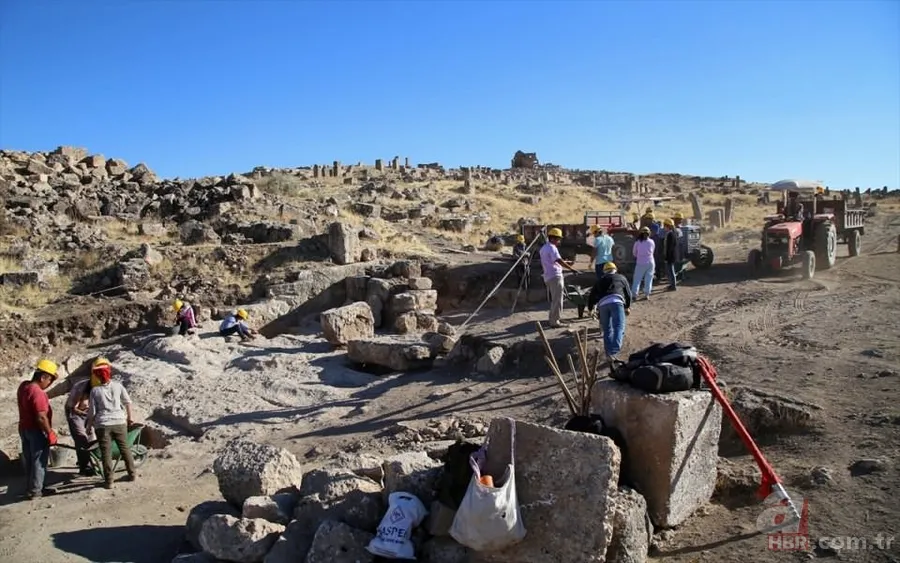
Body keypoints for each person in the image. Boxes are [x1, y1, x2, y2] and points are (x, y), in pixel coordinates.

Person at [86, 358, 136, 488]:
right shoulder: (118, 385)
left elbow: (92, 412)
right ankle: (132, 474)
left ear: (97, 376)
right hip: (119, 421)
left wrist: (88, 426)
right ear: (109, 373)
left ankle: (109, 481)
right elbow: (128, 402)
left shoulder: (95, 391)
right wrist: (130, 417)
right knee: (125, 449)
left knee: (106, 453)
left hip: (102, 425)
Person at [17, 359, 59, 500]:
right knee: (39, 461)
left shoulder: (24, 386)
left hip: (24, 428)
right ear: (43, 377)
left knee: (29, 460)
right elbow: (41, 417)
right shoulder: (37, 392)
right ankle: (36, 491)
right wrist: (50, 433)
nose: (50, 384)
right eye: (50, 380)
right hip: (36, 430)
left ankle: (31, 488)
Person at [587, 262, 632, 360]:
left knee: (607, 330)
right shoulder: (621, 278)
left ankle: (609, 354)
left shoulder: (599, 281)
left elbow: (592, 296)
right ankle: (614, 351)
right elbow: (628, 293)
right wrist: (627, 306)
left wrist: (590, 308)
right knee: (619, 327)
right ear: (615, 270)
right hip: (616, 302)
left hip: (602, 305)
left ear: (604, 272)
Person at [539, 228, 580, 328]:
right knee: (557, 299)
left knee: (555, 299)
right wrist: (572, 269)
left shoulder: (544, 248)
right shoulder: (552, 248)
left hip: (548, 276)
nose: (559, 241)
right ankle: (555, 322)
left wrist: (564, 262)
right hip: (555, 276)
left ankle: (553, 318)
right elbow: (559, 260)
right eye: (558, 239)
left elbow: (554, 261)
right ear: (553, 238)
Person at [64, 370, 96, 477]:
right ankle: (84, 467)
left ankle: (90, 463)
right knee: (81, 438)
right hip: (75, 413)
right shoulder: (80, 388)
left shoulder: (101, 387)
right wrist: (87, 415)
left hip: (88, 413)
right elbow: (73, 408)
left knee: (92, 439)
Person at [631, 227, 656, 300]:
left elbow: (634, 253)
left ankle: (634, 295)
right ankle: (647, 294)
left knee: (637, 279)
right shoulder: (652, 242)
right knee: (648, 279)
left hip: (640, 263)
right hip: (651, 262)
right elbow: (653, 251)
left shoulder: (637, 242)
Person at [662, 219, 679, 291]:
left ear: (667, 226)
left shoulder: (670, 234)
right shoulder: (673, 233)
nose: (664, 227)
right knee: (671, 270)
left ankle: (673, 286)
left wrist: (666, 257)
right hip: (672, 255)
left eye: (664, 226)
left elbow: (669, 247)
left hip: (670, 256)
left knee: (671, 271)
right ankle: (672, 284)